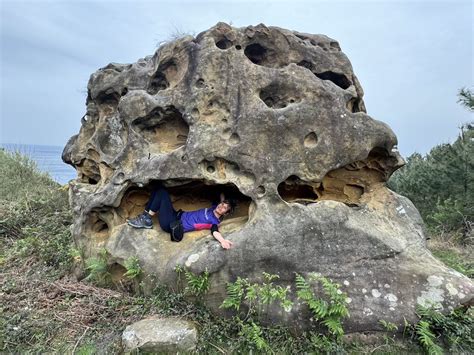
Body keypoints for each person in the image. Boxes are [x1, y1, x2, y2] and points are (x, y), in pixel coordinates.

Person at [127, 184, 236, 249]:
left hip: (172, 225)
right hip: (176, 215)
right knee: (158, 188)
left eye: (224, 208)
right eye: (222, 204)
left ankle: (146, 219)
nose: (221, 207)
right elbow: (221, 198)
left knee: (162, 193)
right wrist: (226, 200)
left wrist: (222, 241)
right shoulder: (213, 208)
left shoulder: (213, 222)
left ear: (225, 213)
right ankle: (145, 216)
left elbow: (215, 232)